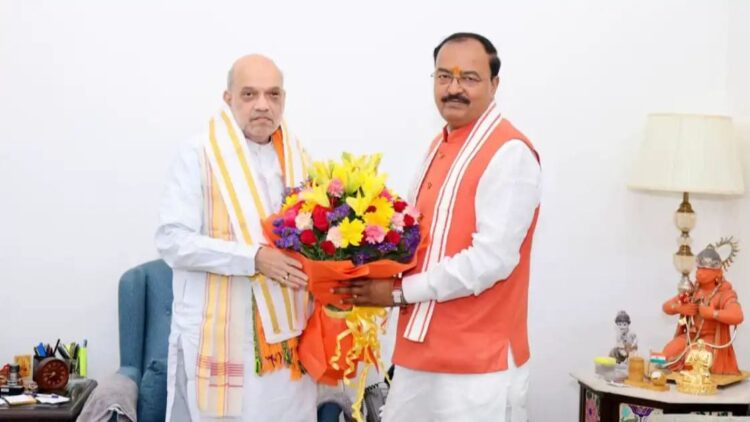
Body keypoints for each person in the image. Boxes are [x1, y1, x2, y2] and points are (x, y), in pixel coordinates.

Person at [338, 33, 542, 421]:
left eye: (469, 78)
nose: (454, 88)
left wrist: (397, 293)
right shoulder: (441, 144)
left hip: (478, 365)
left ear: (494, 84)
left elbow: (491, 260)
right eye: (444, 76)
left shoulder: (509, 152)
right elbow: (418, 241)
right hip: (420, 352)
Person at [156, 54, 316, 421]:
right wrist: (253, 258)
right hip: (223, 337)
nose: (262, 105)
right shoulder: (199, 154)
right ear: (228, 99)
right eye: (249, 94)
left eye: (273, 94)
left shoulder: (300, 160)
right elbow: (172, 240)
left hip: (288, 341)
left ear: (284, 99)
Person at [662, 242, 744, 375]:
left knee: (693, 358)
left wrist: (713, 313)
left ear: (718, 272)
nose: (699, 273)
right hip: (690, 336)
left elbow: (738, 316)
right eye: (699, 268)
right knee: (666, 354)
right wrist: (679, 308)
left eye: (705, 269)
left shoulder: (724, 293)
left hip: (710, 340)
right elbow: (666, 307)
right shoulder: (692, 290)